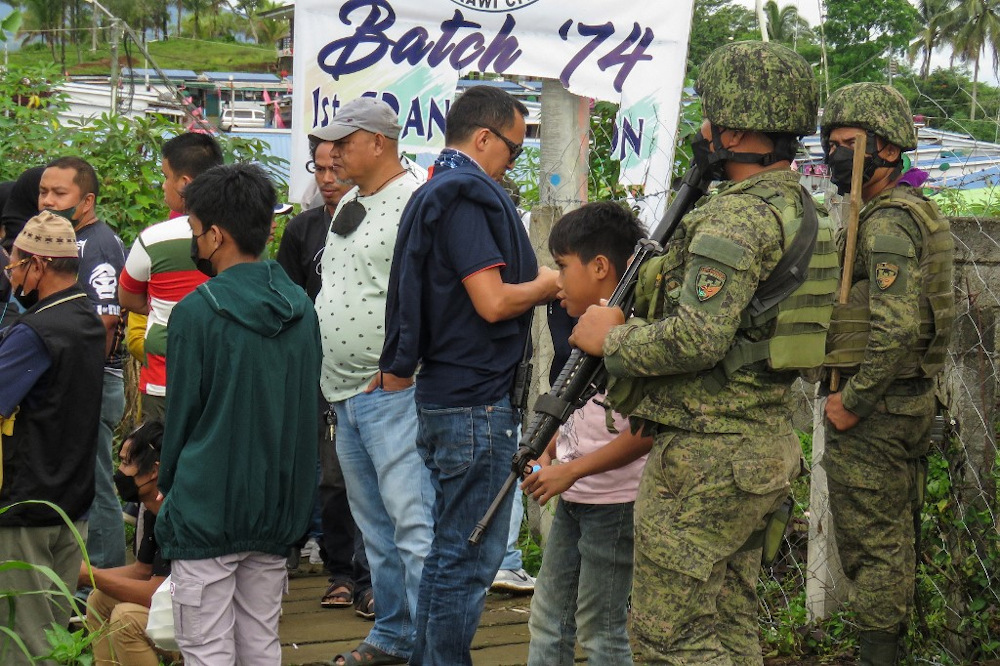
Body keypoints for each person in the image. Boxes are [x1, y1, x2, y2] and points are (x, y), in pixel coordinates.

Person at [571, 41, 827, 663]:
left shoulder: (735, 220)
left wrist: (612, 339)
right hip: (759, 446)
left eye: (711, 116)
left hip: (707, 459)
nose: (703, 129)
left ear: (736, 129)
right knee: (729, 626)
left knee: (668, 638)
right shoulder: (798, 206)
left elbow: (697, 337)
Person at [380, 84, 560, 666]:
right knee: (471, 557)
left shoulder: (436, 188)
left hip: (444, 395)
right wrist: (549, 284)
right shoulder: (464, 196)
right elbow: (491, 301)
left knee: (449, 550)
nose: (513, 161)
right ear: (483, 138)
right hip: (474, 403)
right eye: (512, 147)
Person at [155, 163, 321, 664]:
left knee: (204, 648)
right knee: (259, 641)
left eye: (193, 232)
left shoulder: (197, 311)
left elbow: (182, 418)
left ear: (215, 235)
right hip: (277, 505)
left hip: (208, 506)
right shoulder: (300, 306)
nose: (193, 242)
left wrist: (168, 489)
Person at [820, 83, 956, 665]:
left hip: (877, 412)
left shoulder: (887, 223)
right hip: (902, 405)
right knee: (890, 541)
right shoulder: (901, 212)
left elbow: (895, 328)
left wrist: (853, 399)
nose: (834, 156)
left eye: (848, 144)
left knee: (874, 549)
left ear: (889, 150)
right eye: (830, 144)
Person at [310, 96, 432, 666]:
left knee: (411, 523)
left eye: (344, 140)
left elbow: (434, 294)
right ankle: (392, 634)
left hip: (390, 391)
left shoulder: (417, 201)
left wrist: (401, 370)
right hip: (341, 391)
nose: (331, 152)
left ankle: (430, 644)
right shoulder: (347, 203)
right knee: (374, 525)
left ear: (378, 142)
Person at [521, 202, 652, 665]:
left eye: (562, 266)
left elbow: (644, 432)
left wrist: (569, 471)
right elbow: (573, 408)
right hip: (578, 494)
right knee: (548, 617)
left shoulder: (633, 334)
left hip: (615, 502)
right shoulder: (581, 323)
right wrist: (549, 453)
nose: (556, 281)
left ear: (600, 267)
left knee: (602, 630)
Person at [0, 211, 105, 665]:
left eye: (16, 264)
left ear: (38, 265)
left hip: (25, 507)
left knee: (23, 641)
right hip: (72, 503)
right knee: (55, 631)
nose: (13, 274)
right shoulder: (86, 317)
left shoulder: (34, 332)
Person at [276, 138, 373, 617]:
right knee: (333, 476)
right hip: (320, 370)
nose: (329, 178)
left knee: (376, 477)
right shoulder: (303, 230)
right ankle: (341, 571)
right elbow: (287, 302)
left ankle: (373, 577)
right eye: (320, 168)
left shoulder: (381, 221)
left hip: (375, 370)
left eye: (337, 167)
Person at [39, 157, 127, 572]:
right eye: (44, 192)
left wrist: (83, 384)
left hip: (94, 380)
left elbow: (106, 322)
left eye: (60, 194)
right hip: (77, 382)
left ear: (86, 200)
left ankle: (103, 577)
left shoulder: (97, 244)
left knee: (96, 482)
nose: (49, 202)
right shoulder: (63, 239)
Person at [118, 133, 222, 422]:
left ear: (185, 184)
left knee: (158, 462)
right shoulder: (236, 238)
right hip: (220, 379)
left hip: (165, 378)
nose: (163, 185)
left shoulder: (153, 239)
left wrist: (162, 305)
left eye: (166, 176)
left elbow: (126, 297)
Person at [82, 421, 173, 666]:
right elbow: (141, 571)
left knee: (126, 619)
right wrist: (90, 576)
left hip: (203, 618)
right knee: (99, 598)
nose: (119, 471)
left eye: (126, 463)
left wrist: (92, 575)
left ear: (154, 470)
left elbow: (153, 593)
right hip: (175, 606)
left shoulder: (174, 515)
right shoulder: (153, 510)